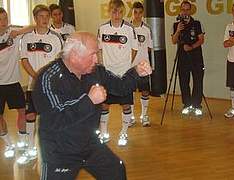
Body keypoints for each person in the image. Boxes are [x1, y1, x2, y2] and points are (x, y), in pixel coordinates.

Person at [32, 31, 151, 180]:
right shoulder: (48, 78)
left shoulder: (96, 71)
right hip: (60, 150)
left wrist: (136, 73)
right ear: (75, 56)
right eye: (93, 54)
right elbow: (56, 118)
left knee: (116, 171)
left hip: (89, 144)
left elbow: (120, 86)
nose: (97, 59)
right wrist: (89, 101)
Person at [19, 4, 63, 164]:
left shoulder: (56, 37)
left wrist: (48, 77)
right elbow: (24, 60)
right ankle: (31, 149)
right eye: (41, 17)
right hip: (33, 85)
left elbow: (60, 61)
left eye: (47, 16)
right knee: (30, 115)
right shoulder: (26, 38)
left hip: (51, 87)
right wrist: (36, 76)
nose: (45, 19)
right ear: (35, 18)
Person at [97, 0, 138, 146]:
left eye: (120, 12)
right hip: (107, 74)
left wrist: (126, 65)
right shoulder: (102, 29)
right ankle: (103, 133)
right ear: (109, 11)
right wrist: (102, 67)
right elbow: (99, 49)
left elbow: (135, 49)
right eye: (114, 11)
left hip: (123, 75)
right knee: (104, 105)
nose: (117, 15)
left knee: (126, 105)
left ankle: (124, 132)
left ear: (123, 12)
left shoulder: (129, 29)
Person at [0, 7, 28, 158]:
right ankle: (9, 143)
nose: (4, 22)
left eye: (6, 18)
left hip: (13, 82)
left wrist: (18, 32)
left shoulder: (12, 32)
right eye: (0, 19)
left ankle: (22, 141)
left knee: (22, 112)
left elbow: (32, 26)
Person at [171, 0, 205, 116]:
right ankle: (187, 104)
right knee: (184, 82)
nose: (185, 12)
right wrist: (178, 30)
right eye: (183, 9)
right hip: (182, 57)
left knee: (198, 81)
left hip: (196, 57)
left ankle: (196, 105)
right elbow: (174, 41)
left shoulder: (197, 24)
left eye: (187, 9)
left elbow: (201, 40)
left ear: (190, 10)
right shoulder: (176, 24)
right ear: (180, 10)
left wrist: (191, 47)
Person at [130, 1, 153, 127]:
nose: (137, 15)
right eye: (135, 12)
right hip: (130, 66)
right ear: (132, 12)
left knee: (145, 91)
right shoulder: (127, 28)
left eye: (139, 12)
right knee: (130, 92)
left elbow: (149, 48)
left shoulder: (147, 28)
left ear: (142, 13)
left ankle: (144, 115)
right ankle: (131, 117)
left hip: (143, 65)